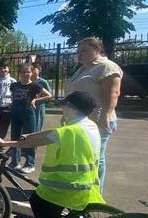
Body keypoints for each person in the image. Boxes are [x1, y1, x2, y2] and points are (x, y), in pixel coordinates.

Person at [0, 91, 104, 218]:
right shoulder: (89, 126)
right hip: (86, 180)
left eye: (64, 105)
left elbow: (35, 142)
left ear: (71, 107)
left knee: (38, 202)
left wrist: (6, 143)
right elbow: (47, 134)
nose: (62, 108)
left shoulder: (69, 131)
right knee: (51, 210)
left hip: (67, 183)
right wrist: (30, 136)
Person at [65, 37, 123, 192]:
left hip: (97, 120)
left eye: (84, 50)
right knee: (81, 157)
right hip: (79, 120)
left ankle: (95, 193)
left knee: (95, 158)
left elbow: (114, 93)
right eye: (78, 51)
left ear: (97, 49)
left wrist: (105, 116)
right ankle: (82, 189)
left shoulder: (106, 66)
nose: (79, 54)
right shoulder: (83, 69)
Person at [9, 63, 52, 173]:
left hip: (28, 114)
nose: (25, 74)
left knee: (29, 138)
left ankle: (30, 164)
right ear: (19, 73)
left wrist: (35, 100)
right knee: (15, 137)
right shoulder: (14, 85)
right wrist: (12, 103)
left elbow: (49, 95)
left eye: (28, 72)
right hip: (15, 114)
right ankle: (15, 162)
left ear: (32, 73)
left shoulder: (35, 85)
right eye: (23, 72)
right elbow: (14, 97)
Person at [31, 63, 52, 132]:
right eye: (31, 69)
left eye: (34, 69)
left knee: (37, 126)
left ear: (39, 70)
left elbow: (49, 96)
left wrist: (37, 100)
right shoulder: (28, 81)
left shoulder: (43, 82)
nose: (32, 71)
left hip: (39, 107)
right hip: (28, 107)